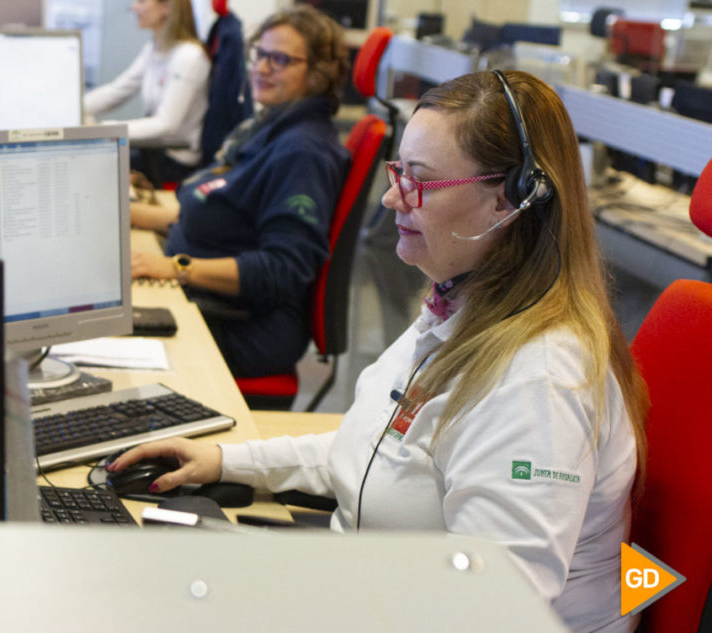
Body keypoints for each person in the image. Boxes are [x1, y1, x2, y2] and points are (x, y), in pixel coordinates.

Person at [113, 70, 650, 633]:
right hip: (374, 585)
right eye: (398, 170)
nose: (393, 196)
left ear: (507, 200)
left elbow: (491, 609)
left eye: (420, 180)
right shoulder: (461, 306)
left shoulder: (538, 380)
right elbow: (378, 451)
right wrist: (227, 461)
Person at [129, 3, 351, 378]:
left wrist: (173, 267)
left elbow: (282, 269)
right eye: (260, 54)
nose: (261, 68)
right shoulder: (270, 126)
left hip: (243, 326)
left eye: (279, 60)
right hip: (211, 302)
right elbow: (217, 213)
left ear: (317, 73)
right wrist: (125, 211)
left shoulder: (302, 152)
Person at [83, 0, 209, 184]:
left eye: (141, 0)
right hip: (154, 153)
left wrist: (104, 130)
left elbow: (166, 124)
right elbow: (118, 90)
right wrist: (75, 108)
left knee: (90, 168)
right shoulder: (156, 49)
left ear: (166, 7)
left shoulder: (189, 57)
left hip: (173, 161)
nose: (134, 7)